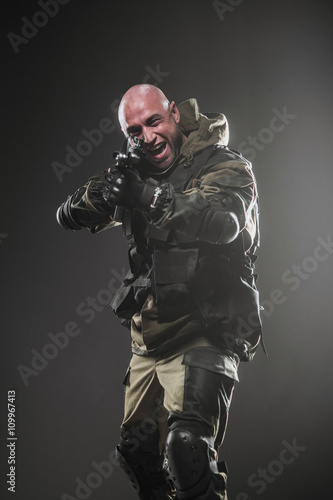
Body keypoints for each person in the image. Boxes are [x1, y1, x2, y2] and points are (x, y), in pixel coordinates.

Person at [56, 84, 264, 500]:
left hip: (207, 326)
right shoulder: (138, 172)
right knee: (138, 456)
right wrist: (110, 187)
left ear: (173, 114)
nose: (147, 137)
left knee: (187, 449)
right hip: (149, 336)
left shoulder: (223, 165)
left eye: (154, 122)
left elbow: (222, 222)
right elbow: (66, 215)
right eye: (135, 131)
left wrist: (148, 197)